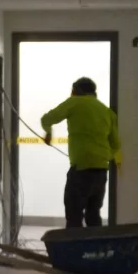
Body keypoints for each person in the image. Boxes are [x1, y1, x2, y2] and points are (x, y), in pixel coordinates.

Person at [40, 77, 121, 229]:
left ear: (76, 91)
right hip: (101, 171)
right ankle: (95, 249)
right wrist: (102, 157)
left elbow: (47, 118)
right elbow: (116, 145)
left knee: (74, 214)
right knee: (93, 214)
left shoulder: (74, 102)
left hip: (81, 170)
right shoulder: (106, 111)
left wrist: (49, 133)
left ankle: (74, 251)